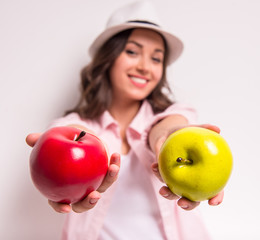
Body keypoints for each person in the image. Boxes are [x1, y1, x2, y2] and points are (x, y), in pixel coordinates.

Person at [26, 1, 224, 239]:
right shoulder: (76, 123)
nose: (144, 67)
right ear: (108, 58)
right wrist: (58, 151)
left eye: (156, 58)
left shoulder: (175, 113)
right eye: (132, 51)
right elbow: (73, 131)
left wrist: (170, 139)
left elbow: (166, 127)